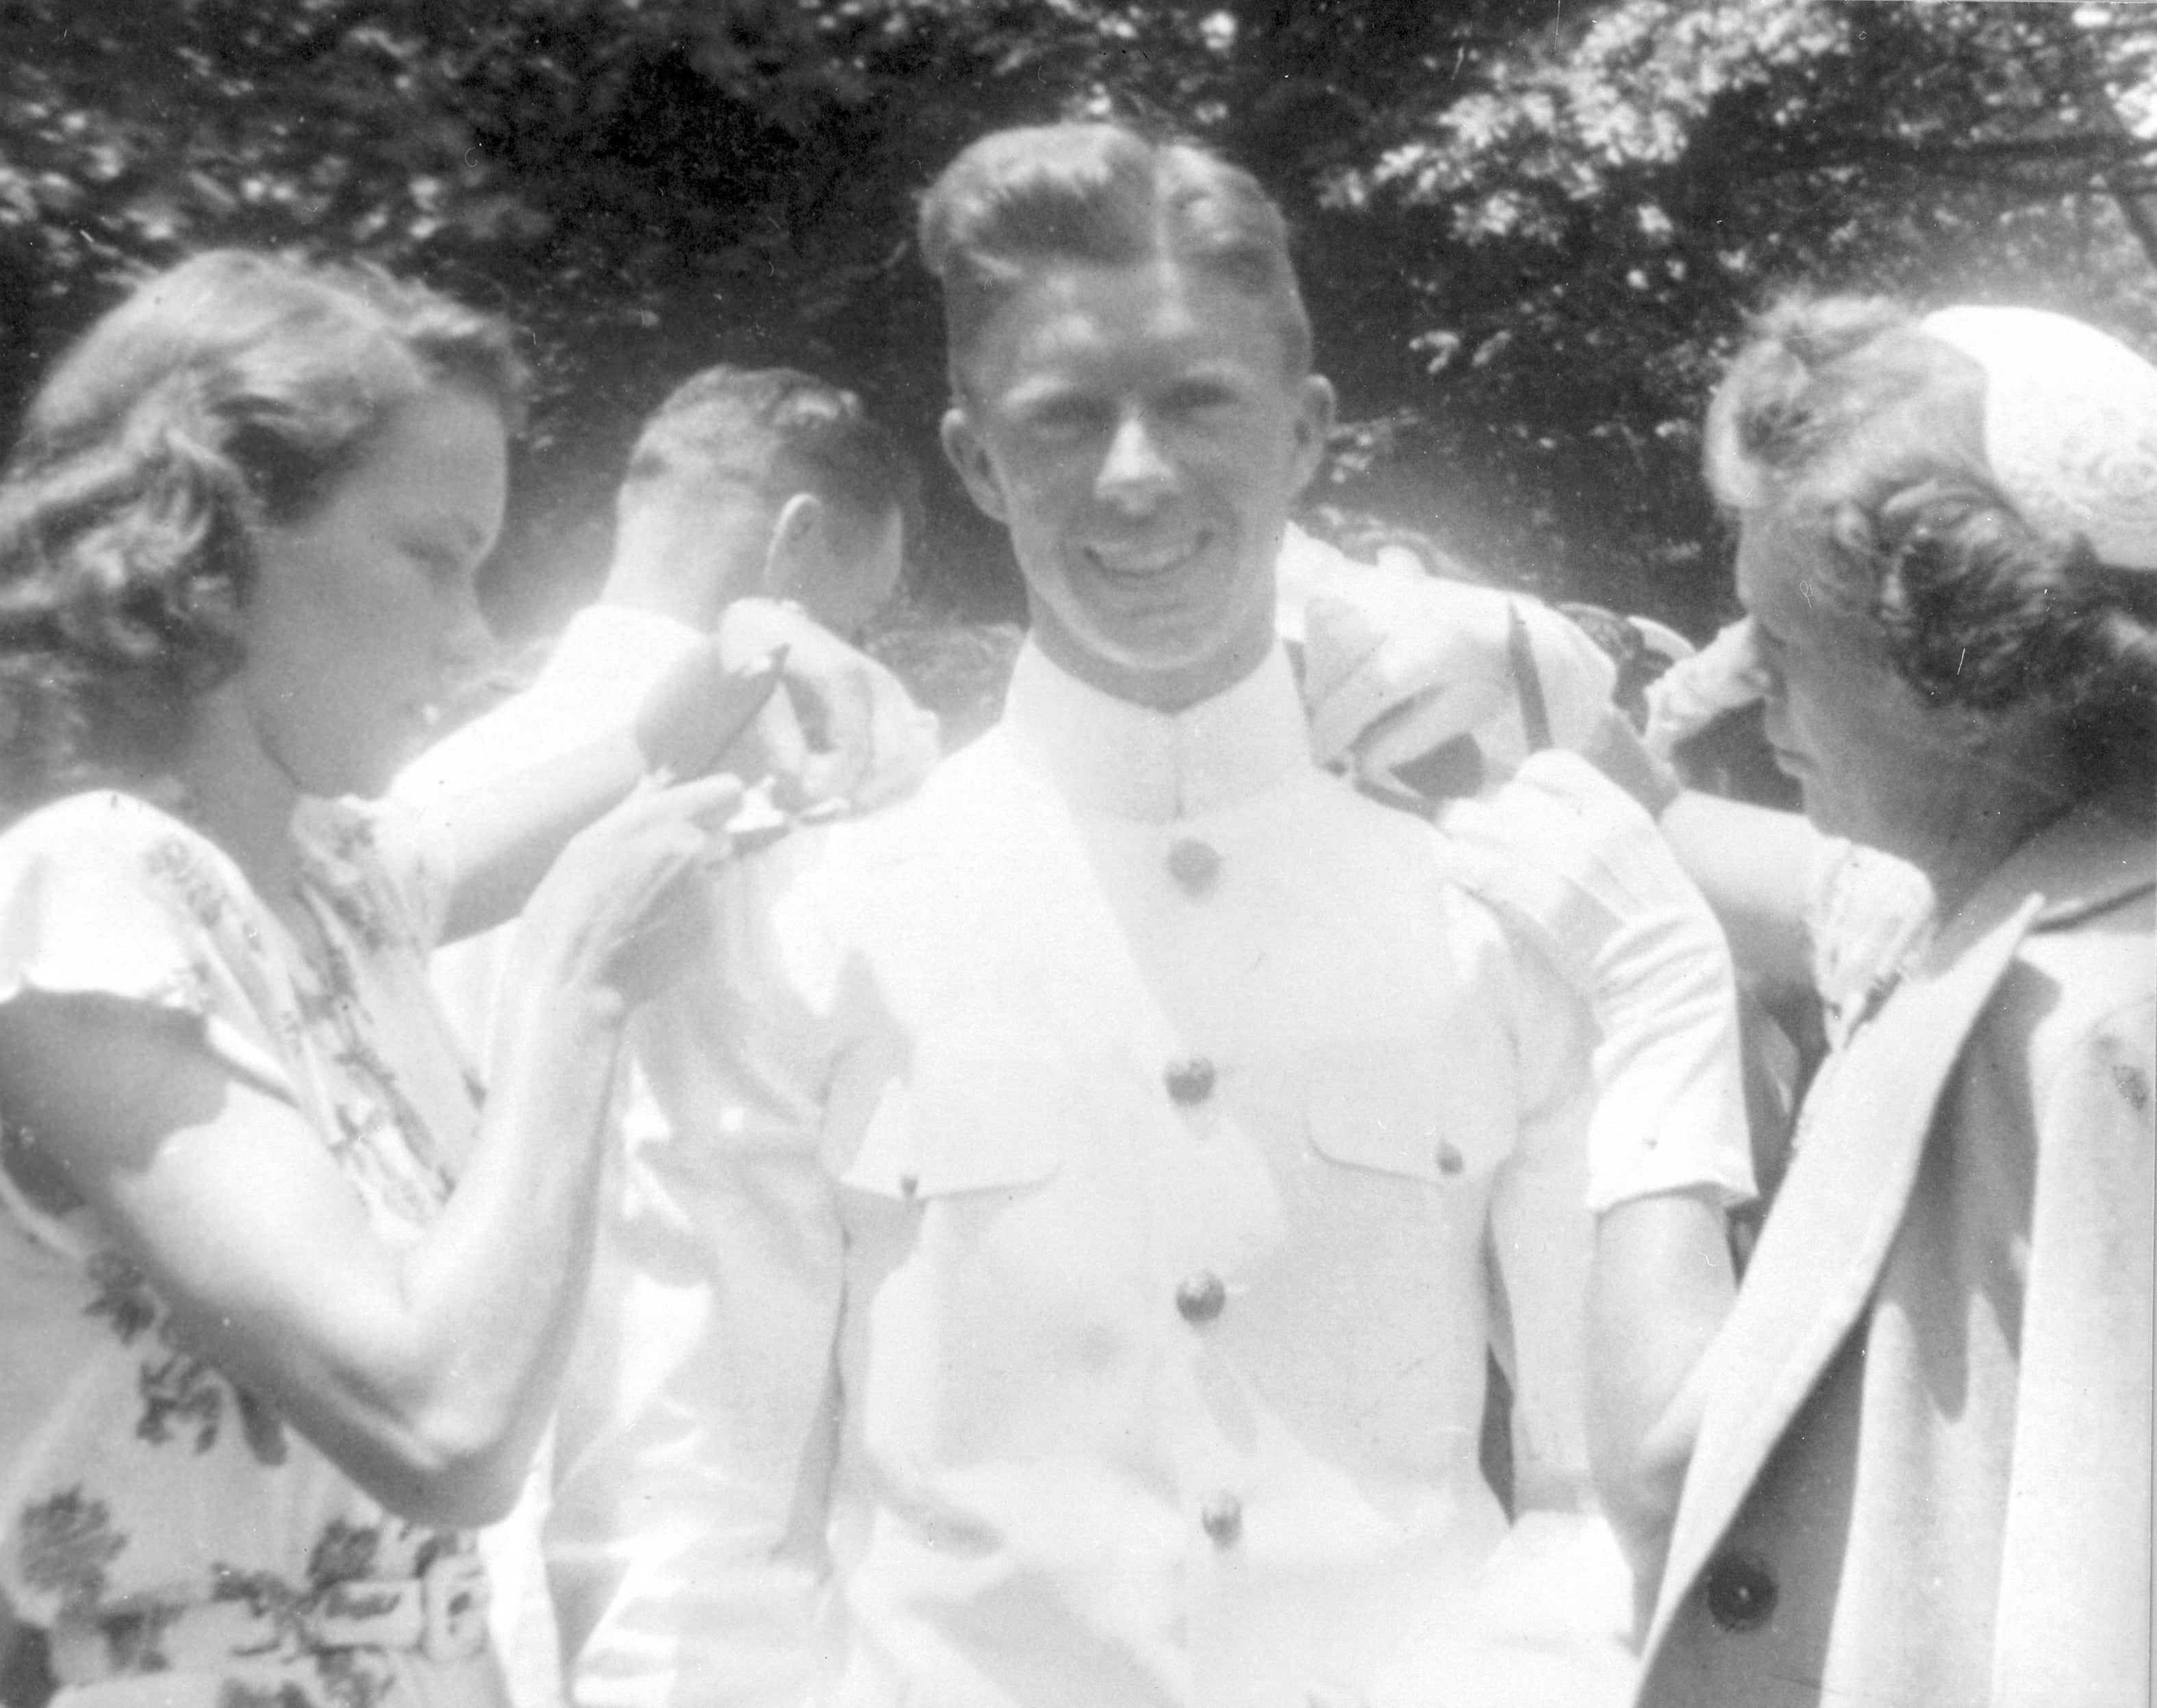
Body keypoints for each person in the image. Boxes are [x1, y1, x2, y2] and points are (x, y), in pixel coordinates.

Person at [545, 120, 1756, 1708]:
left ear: (1308, 432)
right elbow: (687, 1512)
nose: (1135, 476)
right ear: (975, 462)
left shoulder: (1504, 899)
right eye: (1062, 422)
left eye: (1197, 403)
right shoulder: (811, 907)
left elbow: (1593, 1497)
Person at [1308, 296, 2156, 1707]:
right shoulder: (2008, 901)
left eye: (1783, 638)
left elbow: (1674, 1476)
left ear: (1965, 681)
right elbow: (1689, 837)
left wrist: (1656, 1002)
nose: (1743, 676)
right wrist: (1526, 658)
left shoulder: (2096, 1039)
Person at [0, 249, 767, 1708]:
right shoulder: (81, 886)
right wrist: (578, 990)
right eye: (436, 557)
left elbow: (656, 755)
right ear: (210, 544)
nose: (475, 638)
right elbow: (440, 1424)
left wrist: (770, 658)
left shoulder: (333, 886)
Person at [396, 362, 931, 1701]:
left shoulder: (422, 802)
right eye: (874, 610)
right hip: (722, 1614)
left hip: (431, 1600)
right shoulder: (854, 816)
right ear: (800, 544)